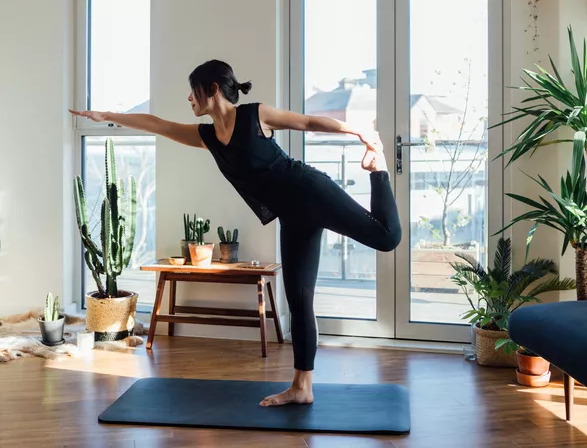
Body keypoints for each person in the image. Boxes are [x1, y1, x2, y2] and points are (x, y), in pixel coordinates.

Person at [70, 59, 401, 407]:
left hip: (311, 191)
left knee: (386, 238)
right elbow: (157, 124)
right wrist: (107, 114)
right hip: (292, 216)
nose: (189, 99)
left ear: (212, 90)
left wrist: (358, 132)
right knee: (301, 302)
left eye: (193, 91)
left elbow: (306, 122)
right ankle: (302, 387)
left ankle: (378, 170)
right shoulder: (208, 137)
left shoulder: (256, 115)